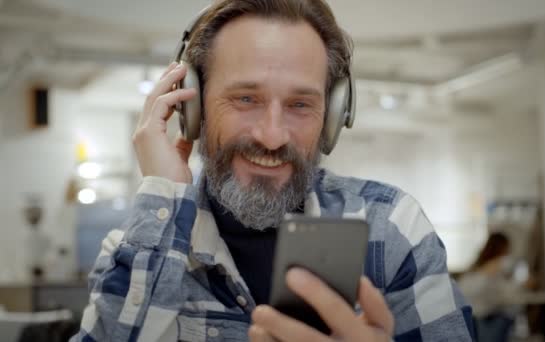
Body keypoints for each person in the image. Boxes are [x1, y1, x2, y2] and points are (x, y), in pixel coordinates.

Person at [71, 0, 474, 341]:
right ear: (191, 111)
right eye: (246, 98)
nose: (272, 136)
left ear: (332, 118)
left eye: (300, 105)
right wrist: (163, 193)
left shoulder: (392, 228)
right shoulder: (140, 248)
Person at [458, 232, 518, 342]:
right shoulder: (496, 265)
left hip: (482, 317)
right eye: (507, 248)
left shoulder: (478, 269)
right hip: (488, 318)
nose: (508, 252)